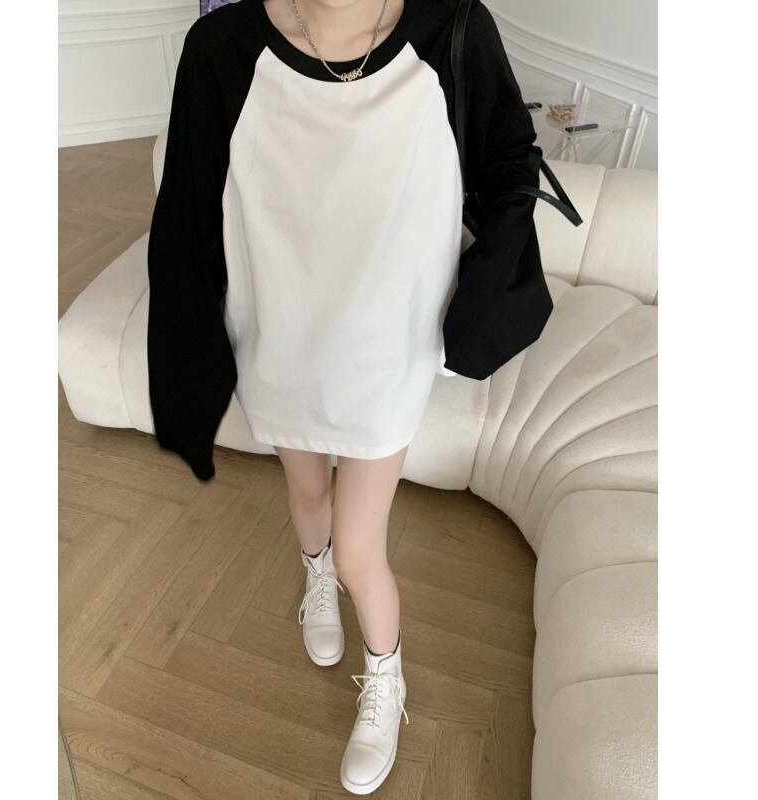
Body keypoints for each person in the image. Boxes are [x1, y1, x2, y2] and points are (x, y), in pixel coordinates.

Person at [146, 0, 552, 793]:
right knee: (306, 498)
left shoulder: (452, 28)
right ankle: (315, 577)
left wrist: (488, 292)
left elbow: (510, 161)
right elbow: (188, 209)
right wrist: (190, 354)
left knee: (363, 549)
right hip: (279, 340)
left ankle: (386, 675)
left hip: (383, 355)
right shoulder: (222, 49)